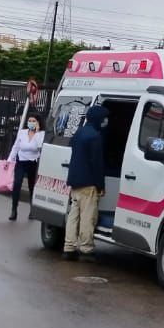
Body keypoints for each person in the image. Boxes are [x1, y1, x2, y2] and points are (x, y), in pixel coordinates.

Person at [63, 104, 108, 262]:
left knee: (73, 216)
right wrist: (100, 185)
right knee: (88, 217)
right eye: (104, 118)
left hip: (75, 181)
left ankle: (69, 247)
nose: (105, 121)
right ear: (98, 119)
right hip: (89, 184)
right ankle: (86, 249)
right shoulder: (95, 136)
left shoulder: (79, 133)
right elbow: (97, 164)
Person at [7, 113, 46, 221]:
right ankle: (14, 210)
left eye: (34, 121)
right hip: (21, 161)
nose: (31, 123)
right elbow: (15, 147)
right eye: (30, 121)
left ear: (38, 123)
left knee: (31, 187)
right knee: (17, 184)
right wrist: (9, 160)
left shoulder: (41, 134)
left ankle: (32, 210)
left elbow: (39, 147)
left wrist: (37, 133)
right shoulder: (22, 133)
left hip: (33, 162)